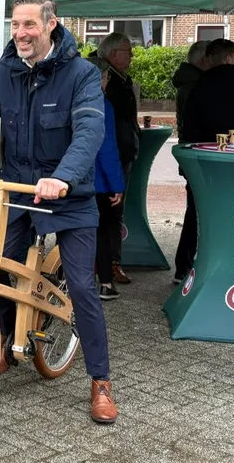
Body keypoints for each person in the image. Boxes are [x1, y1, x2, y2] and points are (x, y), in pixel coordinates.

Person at [0, 0, 118, 424]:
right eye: (15, 25)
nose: (20, 33)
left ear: (51, 24)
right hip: (16, 188)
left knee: (84, 288)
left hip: (68, 195)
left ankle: (100, 380)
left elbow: (89, 132)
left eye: (29, 25)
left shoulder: (82, 73)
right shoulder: (8, 69)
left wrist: (63, 177)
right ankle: (6, 350)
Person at [99, 32, 140, 285]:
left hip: (120, 153)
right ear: (114, 54)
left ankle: (108, 263)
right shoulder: (109, 83)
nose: (132, 56)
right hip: (113, 156)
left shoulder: (120, 79)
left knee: (110, 215)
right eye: (128, 52)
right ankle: (110, 265)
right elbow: (109, 132)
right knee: (111, 213)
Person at [87, 57, 125, 301]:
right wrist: (117, 184)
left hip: (69, 178)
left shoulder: (67, 99)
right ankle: (106, 284)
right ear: (101, 77)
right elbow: (107, 147)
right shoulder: (103, 104)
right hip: (98, 180)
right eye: (107, 76)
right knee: (100, 231)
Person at [171, 41, 209, 284]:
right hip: (198, 157)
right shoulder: (197, 88)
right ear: (204, 61)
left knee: (194, 211)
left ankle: (184, 265)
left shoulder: (188, 84)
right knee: (196, 213)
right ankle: (185, 266)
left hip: (191, 155)